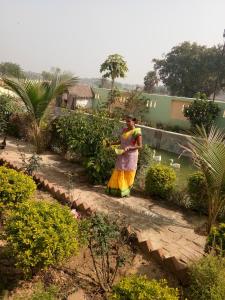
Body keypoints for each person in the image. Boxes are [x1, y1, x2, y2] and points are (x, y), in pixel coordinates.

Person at [106, 115, 142, 197]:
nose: (127, 123)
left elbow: (140, 146)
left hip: (131, 155)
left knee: (127, 172)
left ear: (134, 122)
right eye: (126, 121)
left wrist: (129, 147)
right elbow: (121, 141)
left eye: (129, 121)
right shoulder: (124, 130)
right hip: (122, 153)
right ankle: (116, 190)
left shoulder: (137, 132)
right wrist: (111, 144)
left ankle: (124, 191)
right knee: (119, 170)